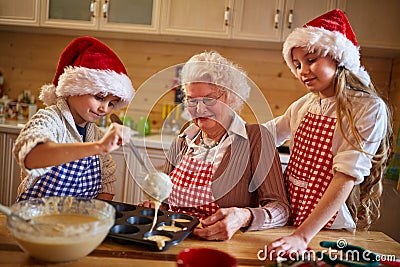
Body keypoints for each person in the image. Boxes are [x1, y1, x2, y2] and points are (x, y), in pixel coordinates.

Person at [263, 9, 392, 256]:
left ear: (339, 57)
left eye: (311, 60)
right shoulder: (303, 105)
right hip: (290, 219)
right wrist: (223, 124)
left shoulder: (367, 108)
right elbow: (263, 136)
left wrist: (302, 236)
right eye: (298, 64)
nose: (302, 71)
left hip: (325, 228)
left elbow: (345, 177)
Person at [143, 51, 290, 240]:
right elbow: (164, 202)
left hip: (223, 246)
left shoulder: (256, 139)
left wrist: (244, 216)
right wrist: (155, 207)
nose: (199, 108)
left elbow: (280, 209)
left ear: (230, 97)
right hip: (172, 241)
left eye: (209, 99)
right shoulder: (182, 140)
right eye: (191, 100)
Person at [13, 36, 135, 202]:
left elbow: (107, 183)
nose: (104, 109)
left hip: (79, 223)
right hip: (37, 221)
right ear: (74, 88)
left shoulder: (96, 134)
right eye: (99, 97)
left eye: (112, 103)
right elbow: (31, 156)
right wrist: (98, 147)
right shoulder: (50, 119)